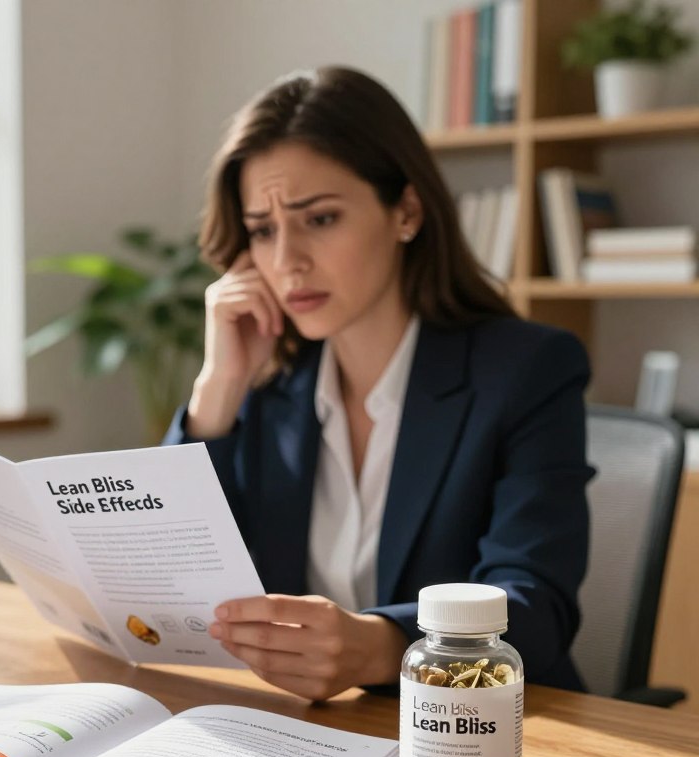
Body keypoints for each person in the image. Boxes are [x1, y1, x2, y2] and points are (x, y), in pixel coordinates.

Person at [163, 66, 594, 701]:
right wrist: (217, 391)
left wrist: (381, 648)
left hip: (486, 735)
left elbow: (535, 608)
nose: (287, 262)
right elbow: (172, 592)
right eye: (262, 230)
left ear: (407, 211)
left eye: (321, 218)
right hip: (307, 735)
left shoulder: (528, 371)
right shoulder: (265, 383)